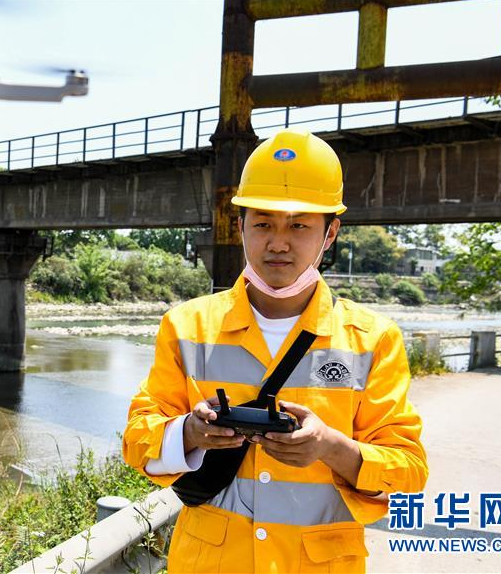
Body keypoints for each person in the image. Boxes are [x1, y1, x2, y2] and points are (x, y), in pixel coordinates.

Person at [122, 128, 428, 574]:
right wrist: (189, 432)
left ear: (330, 233)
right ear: (240, 225)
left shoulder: (372, 338)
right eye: (263, 223)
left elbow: (409, 468)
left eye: (299, 225)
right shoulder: (186, 326)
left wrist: (328, 446)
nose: (279, 242)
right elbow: (136, 439)